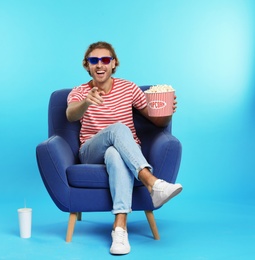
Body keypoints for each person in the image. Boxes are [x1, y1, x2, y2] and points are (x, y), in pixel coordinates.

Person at [66, 41, 183, 255]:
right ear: (87, 65)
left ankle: (119, 228)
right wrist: (86, 103)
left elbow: (157, 120)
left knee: (115, 154)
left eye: (105, 60)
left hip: (122, 151)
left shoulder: (129, 88)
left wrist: (167, 110)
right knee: (118, 129)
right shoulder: (80, 91)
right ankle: (152, 183)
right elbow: (70, 114)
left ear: (113, 64)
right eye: (94, 60)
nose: (99, 65)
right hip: (91, 152)